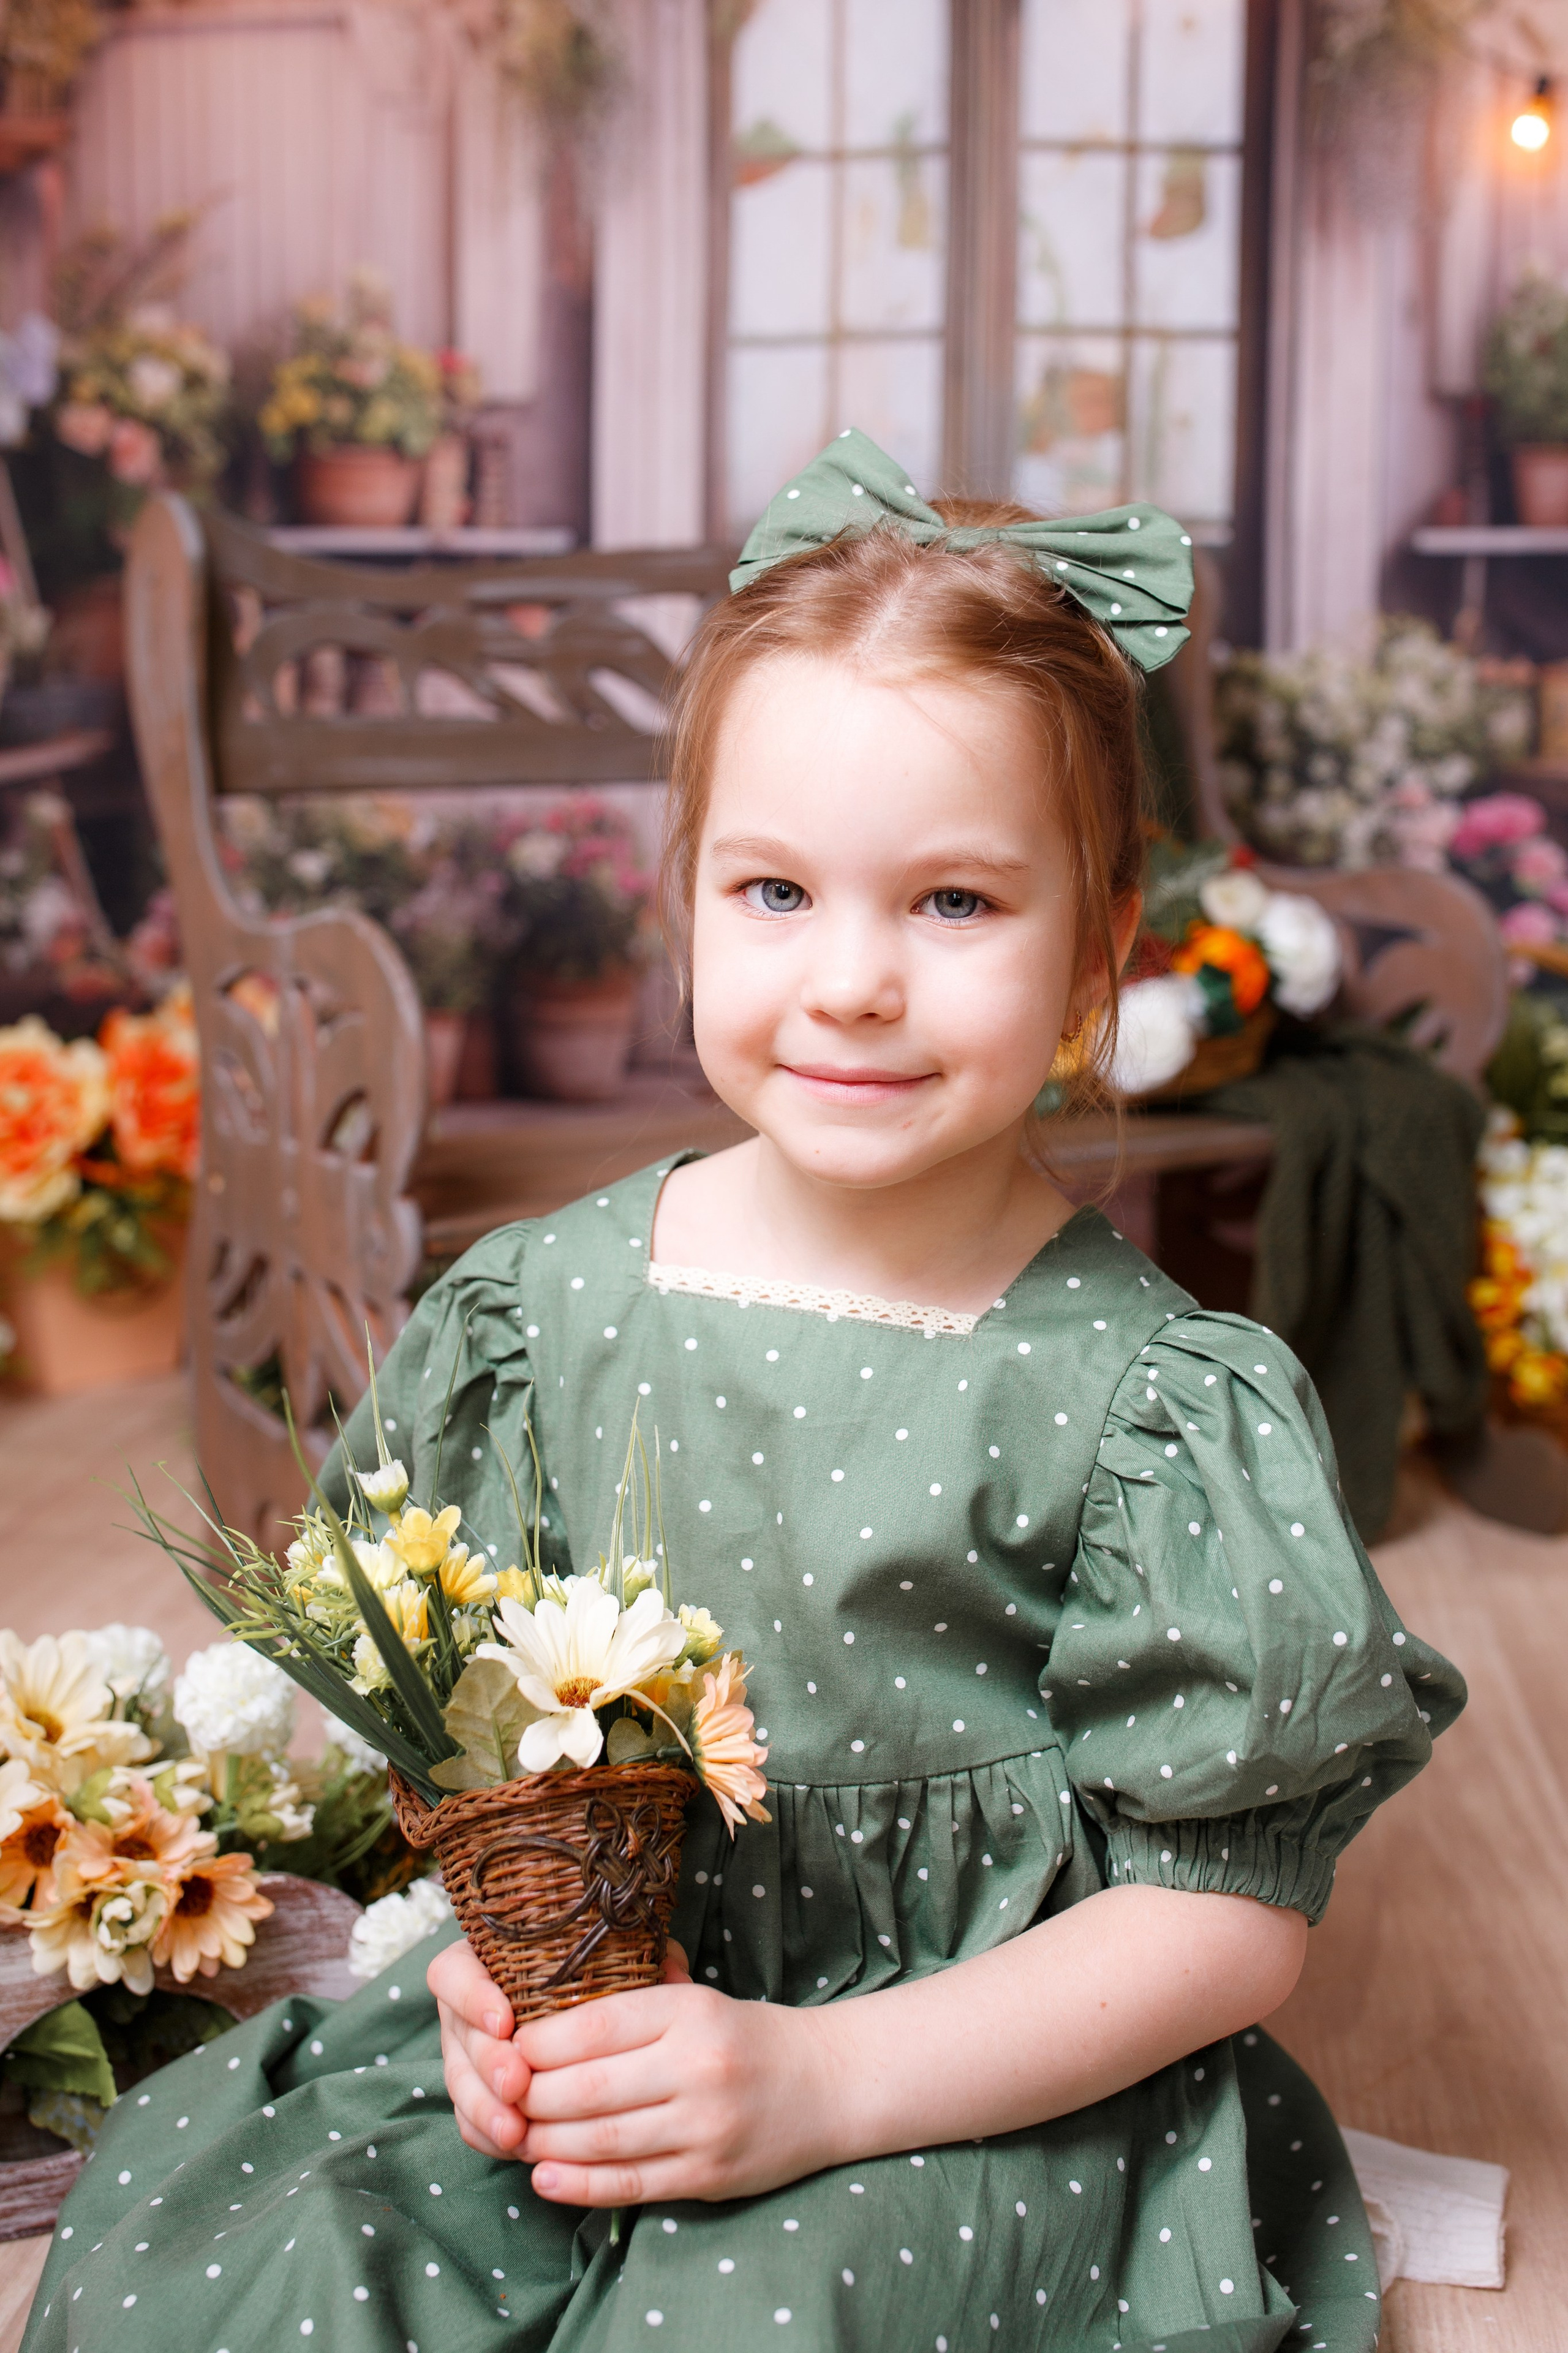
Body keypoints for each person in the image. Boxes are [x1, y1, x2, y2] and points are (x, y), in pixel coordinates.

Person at [24, 431, 1463, 2353]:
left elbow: (1225, 1915)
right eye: (776, 890)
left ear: (1101, 948)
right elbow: (477, 1751)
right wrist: (497, 1982)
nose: (851, 980)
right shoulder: (542, 1314)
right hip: (611, 2026)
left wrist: (817, 2083)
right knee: (279, 2261)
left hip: (953, 2088)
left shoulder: (1147, 1405)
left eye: (955, 903)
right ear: (682, 903)